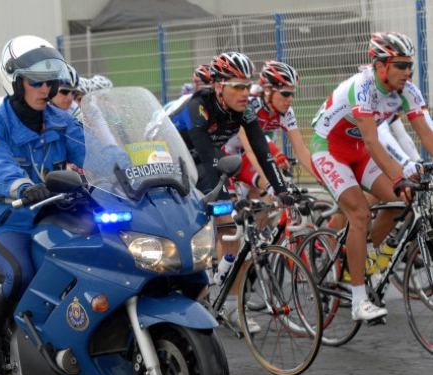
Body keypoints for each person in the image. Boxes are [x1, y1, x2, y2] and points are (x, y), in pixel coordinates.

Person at [0, 35, 85, 375]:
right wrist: (21, 185)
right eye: (36, 82)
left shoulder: (62, 120)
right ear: (15, 81)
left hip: (54, 214)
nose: (44, 89)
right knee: (21, 274)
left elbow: (97, 151)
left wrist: (141, 167)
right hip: (9, 221)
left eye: (49, 82)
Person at [310, 31, 433, 321]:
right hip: (329, 149)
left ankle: (370, 259)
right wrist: (399, 175)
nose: (407, 71)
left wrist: (403, 182)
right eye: (400, 65)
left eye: (409, 65)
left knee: (405, 200)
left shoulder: (408, 91)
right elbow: (372, 140)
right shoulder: (363, 86)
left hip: (358, 152)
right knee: (361, 214)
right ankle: (358, 300)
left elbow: (427, 133)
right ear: (381, 66)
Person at [170, 52, 288, 333]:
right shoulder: (199, 105)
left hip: (207, 159)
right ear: (219, 86)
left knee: (231, 229)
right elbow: (207, 156)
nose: (245, 93)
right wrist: (217, 194)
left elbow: (262, 150)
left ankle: (230, 305)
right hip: (170, 158)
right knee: (197, 225)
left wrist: (281, 188)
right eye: (237, 86)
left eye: (247, 86)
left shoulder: (245, 110)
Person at [223, 61, 317, 197]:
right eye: (285, 94)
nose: (290, 99)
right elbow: (251, 149)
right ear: (268, 90)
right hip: (226, 152)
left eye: (292, 94)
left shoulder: (286, 112)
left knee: (276, 194)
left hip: (247, 151)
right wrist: (270, 183)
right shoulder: (250, 103)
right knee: (229, 206)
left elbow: (301, 151)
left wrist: (324, 181)